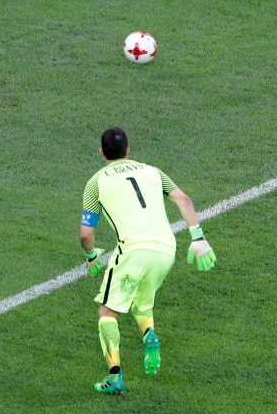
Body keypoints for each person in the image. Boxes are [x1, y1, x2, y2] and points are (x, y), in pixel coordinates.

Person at [79, 127, 216, 395]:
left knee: (107, 312)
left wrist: (90, 254)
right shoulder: (153, 171)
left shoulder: (96, 182)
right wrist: (198, 238)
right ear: (129, 150)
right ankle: (147, 334)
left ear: (101, 152)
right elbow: (183, 199)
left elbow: (86, 234)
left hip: (132, 251)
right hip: (166, 249)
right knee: (142, 301)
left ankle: (114, 377)